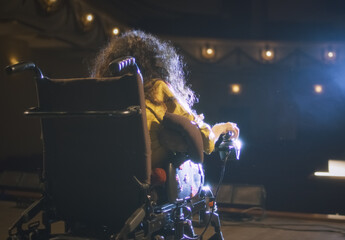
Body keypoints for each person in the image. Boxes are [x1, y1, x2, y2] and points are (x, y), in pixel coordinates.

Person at [91, 30, 239, 176]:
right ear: (154, 62)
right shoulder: (158, 89)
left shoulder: (100, 95)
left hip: (103, 176)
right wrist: (220, 128)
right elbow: (204, 141)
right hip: (142, 182)